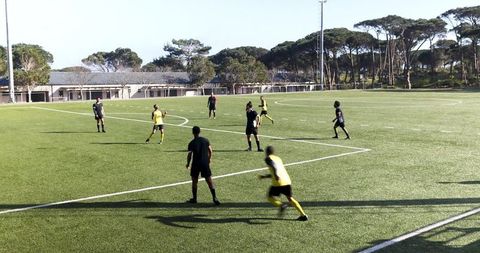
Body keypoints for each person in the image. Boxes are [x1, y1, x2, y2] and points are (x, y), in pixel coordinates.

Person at [257, 146, 308, 221]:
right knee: (290, 198)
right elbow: (277, 170)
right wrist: (264, 176)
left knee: (269, 197)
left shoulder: (268, 158)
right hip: (287, 181)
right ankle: (303, 215)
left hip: (278, 182)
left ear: (267, 152)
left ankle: (281, 205)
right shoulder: (278, 158)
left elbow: (274, 167)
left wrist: (276, 175)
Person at [185, 126, 220, 205]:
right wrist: (209, 159)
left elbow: (190, 155)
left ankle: (194, 199)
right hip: (205, 163)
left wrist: (188, 163)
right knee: (209, 180)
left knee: (194, 181)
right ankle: (215, 198)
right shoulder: (205, 140)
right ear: (200, 132)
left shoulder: (192, 143)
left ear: (193, 133)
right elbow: (210, 150)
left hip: (196, 164)